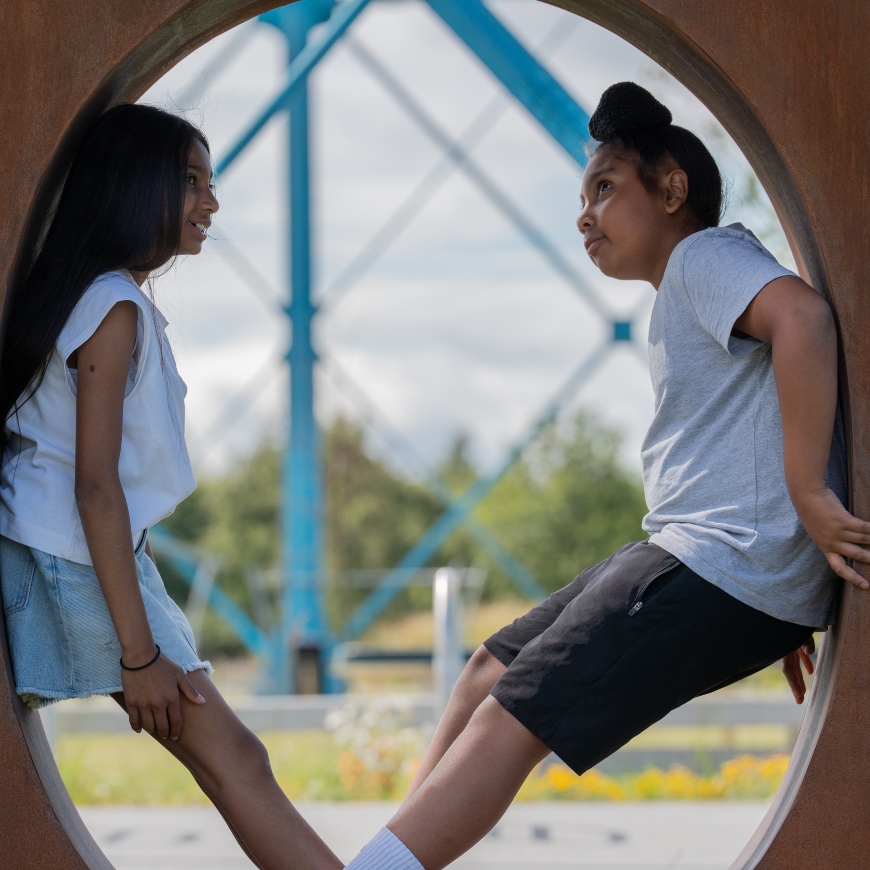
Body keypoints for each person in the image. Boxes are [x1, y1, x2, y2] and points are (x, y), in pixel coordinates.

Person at [341, 82, 870, 870]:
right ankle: (399, 857)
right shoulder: (686, 290)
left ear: (671, 189)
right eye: (581, 198)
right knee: (487, 674)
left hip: (719, 563)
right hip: (711, 561)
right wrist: (785, 590)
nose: (584, 214)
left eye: (605, 188)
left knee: (509, 717)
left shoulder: (702, 256)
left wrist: (805, 503)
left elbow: (806, 319)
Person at [0, 104, 342, 870]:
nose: (210, 203)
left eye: (210, 184)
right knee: (237, 761)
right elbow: (95, 487)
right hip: (82, 559)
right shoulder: (112, 307)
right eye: (190, 182)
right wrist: (139, 653)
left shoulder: (101, 297)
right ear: (133, 186)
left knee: (234, 762)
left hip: (87, 554)